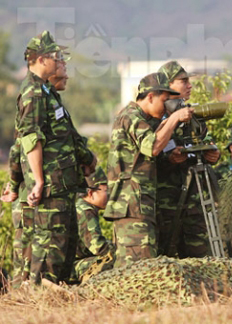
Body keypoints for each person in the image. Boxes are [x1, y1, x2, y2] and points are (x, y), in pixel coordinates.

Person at [12, 31, 96, 284]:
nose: (60, 61)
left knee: (62, 247)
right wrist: (37, 180)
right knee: (48, 248)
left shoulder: (46, 91)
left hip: (62, 183)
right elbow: (30, 139)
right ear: (40, 60)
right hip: (49, 185)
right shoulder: (33, 94)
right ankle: (38, 303)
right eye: (55, 57)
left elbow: (63, 135)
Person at [104, 72, 194, 268]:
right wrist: (174, 119)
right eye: (164, 100)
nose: (166, 107)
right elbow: (152, 147)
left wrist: (171, 157)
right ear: (150, 96)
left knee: (143, 265)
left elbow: (148, 156)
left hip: (139, 204)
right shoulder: (131, 117)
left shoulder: (142, 119)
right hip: (131, 205)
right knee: (136, 268)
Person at [156, 61, 220, 258]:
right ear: (167, 85)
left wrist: (213, 155)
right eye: (183, 81)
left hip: (195, 199)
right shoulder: (153, 117)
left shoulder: (192, 115)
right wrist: (169, 159)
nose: (189, 86)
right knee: (166, 257)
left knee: (199, 256)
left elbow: (207, 142)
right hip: (166, 201)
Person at [70, 167, 115, 284]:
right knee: (109, 259)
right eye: (105, 191)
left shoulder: (82, 207)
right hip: (73, 267)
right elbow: (98, 247)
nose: (109, 195)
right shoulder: (85, 211)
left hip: (75, 262)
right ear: (90, 193)